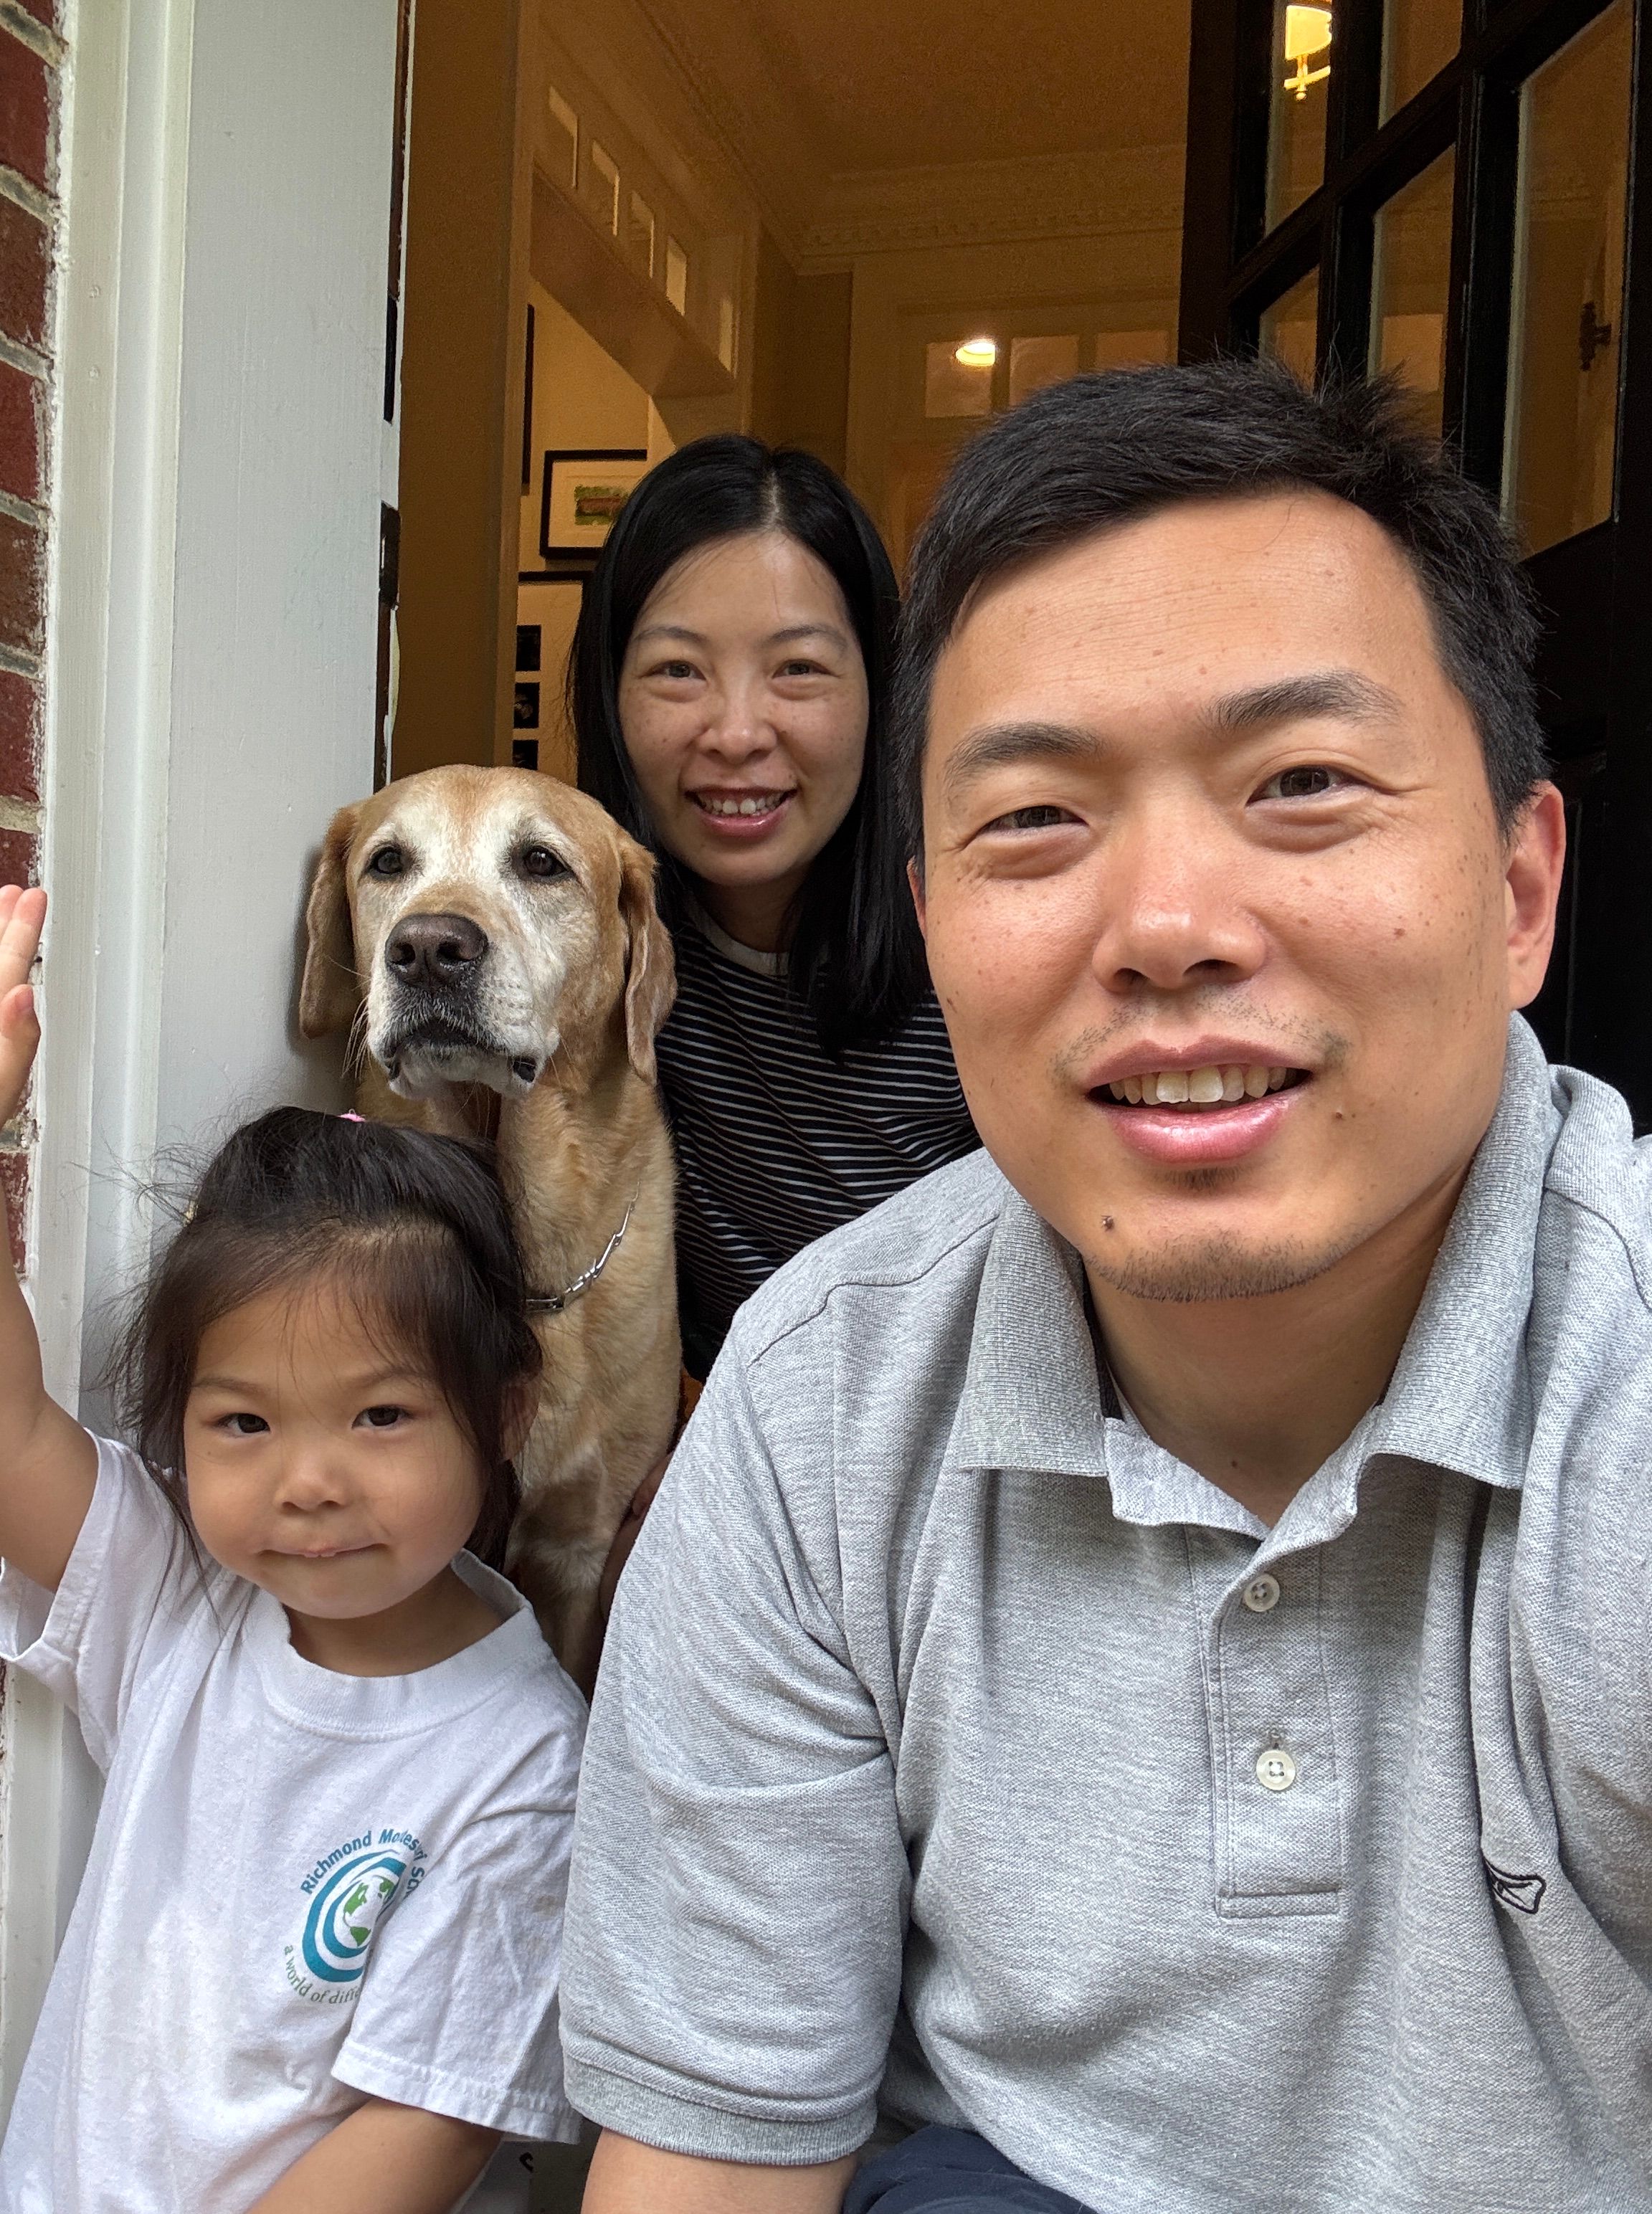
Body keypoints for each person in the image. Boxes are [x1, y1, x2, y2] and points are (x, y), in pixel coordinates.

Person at [559, 361, 1652, 2213]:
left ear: (1523, 888)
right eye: (1037, 820)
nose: (1165, 931)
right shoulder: (819, 1408)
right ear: (938, 911)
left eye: (1302, 784)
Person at [0, 887, 585, 2214]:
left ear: (502, 1414)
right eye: (244, 1423)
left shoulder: (521, 1767)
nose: (309, 1484)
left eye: (380, 1417)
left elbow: (423, 2130)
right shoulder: (181, 1598)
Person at [571, 435, 977, 1384]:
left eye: (797, 668)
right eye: (678, 671)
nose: (737, 733)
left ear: (885, 692)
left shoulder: (971, 948)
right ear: (610, 696)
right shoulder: (600, 952)